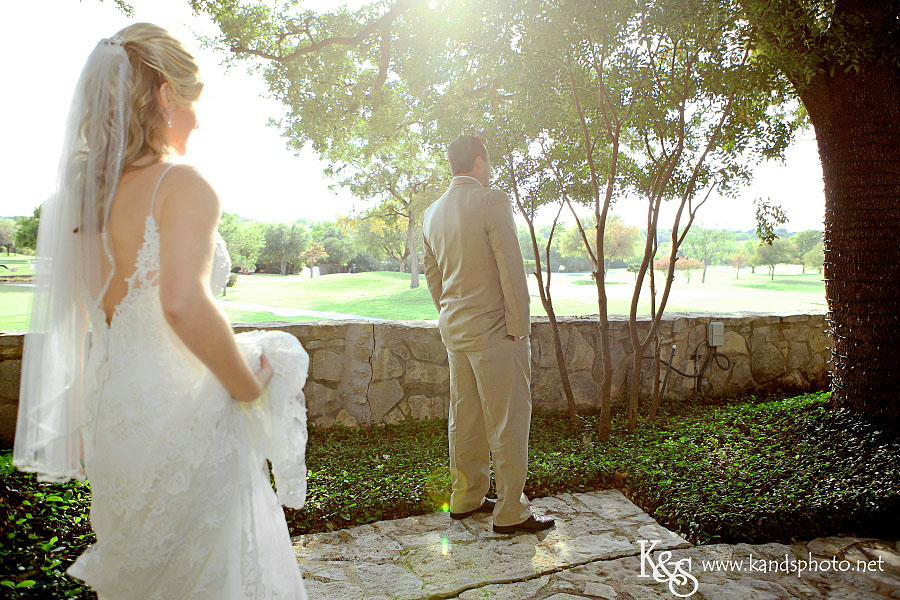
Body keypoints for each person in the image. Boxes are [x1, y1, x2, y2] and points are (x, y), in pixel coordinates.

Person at [13, 24, 309, 599]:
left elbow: (78, 322)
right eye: (194, 102)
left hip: (113, 412)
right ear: (167, 95)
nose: (198, 119)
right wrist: (248, 386)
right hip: (183, 414)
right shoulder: (183, 184)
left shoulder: (82, 196)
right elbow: (181, 302)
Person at [422, 134, 554, 534]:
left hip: (455, 328)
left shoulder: (432, 212)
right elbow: (510, 269)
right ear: (479, 161)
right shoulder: (491, 200)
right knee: (508, 419)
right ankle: (511, 512)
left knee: (465, 416)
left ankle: (466, 497)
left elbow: (433, 275)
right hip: (495, 330)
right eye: (489, 160)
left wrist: (448, 311)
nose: (491, 167)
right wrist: (519, 329)